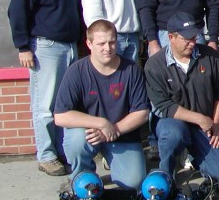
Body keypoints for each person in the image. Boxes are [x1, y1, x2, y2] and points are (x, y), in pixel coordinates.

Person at [138, 0, 219, 159]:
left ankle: (198, 134)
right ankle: (158, 140)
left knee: (200, 87)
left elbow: (213, 5)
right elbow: (145, 7)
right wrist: (153, 41)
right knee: (163, 90)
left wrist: (213, 39)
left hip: (195, 35)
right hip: (166, 35)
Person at [8, 0, 81, 176]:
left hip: (71, 48)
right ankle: (47, 155)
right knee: (45, 106)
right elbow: (17, 12)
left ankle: (62, 151)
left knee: (66, 104)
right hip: (46, 48)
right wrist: (23, 47)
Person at [54, 20, 150, 189]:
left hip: (121, 134)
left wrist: (114, 129)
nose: (108, 48)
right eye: (101, 43)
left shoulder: (131, 70)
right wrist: (101, 124)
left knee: (133, 183)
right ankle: (82, 178)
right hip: (89, 134)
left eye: (112, 42)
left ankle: (114, 162)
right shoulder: (76, 71)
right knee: (76, 140)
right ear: (89, 44)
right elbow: (61, 116)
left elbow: (141, 112)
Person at [143, 12, 219, 179]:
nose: (192, 43)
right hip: (172, 123)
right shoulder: (154, 65)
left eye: (194, 38)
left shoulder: (211, 57)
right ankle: (166, 172)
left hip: (204, 125)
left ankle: (197, 158)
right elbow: (163, 106)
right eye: (186, 39)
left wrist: (216, 123)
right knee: (173, 134)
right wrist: (199, 118)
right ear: (171, 37)